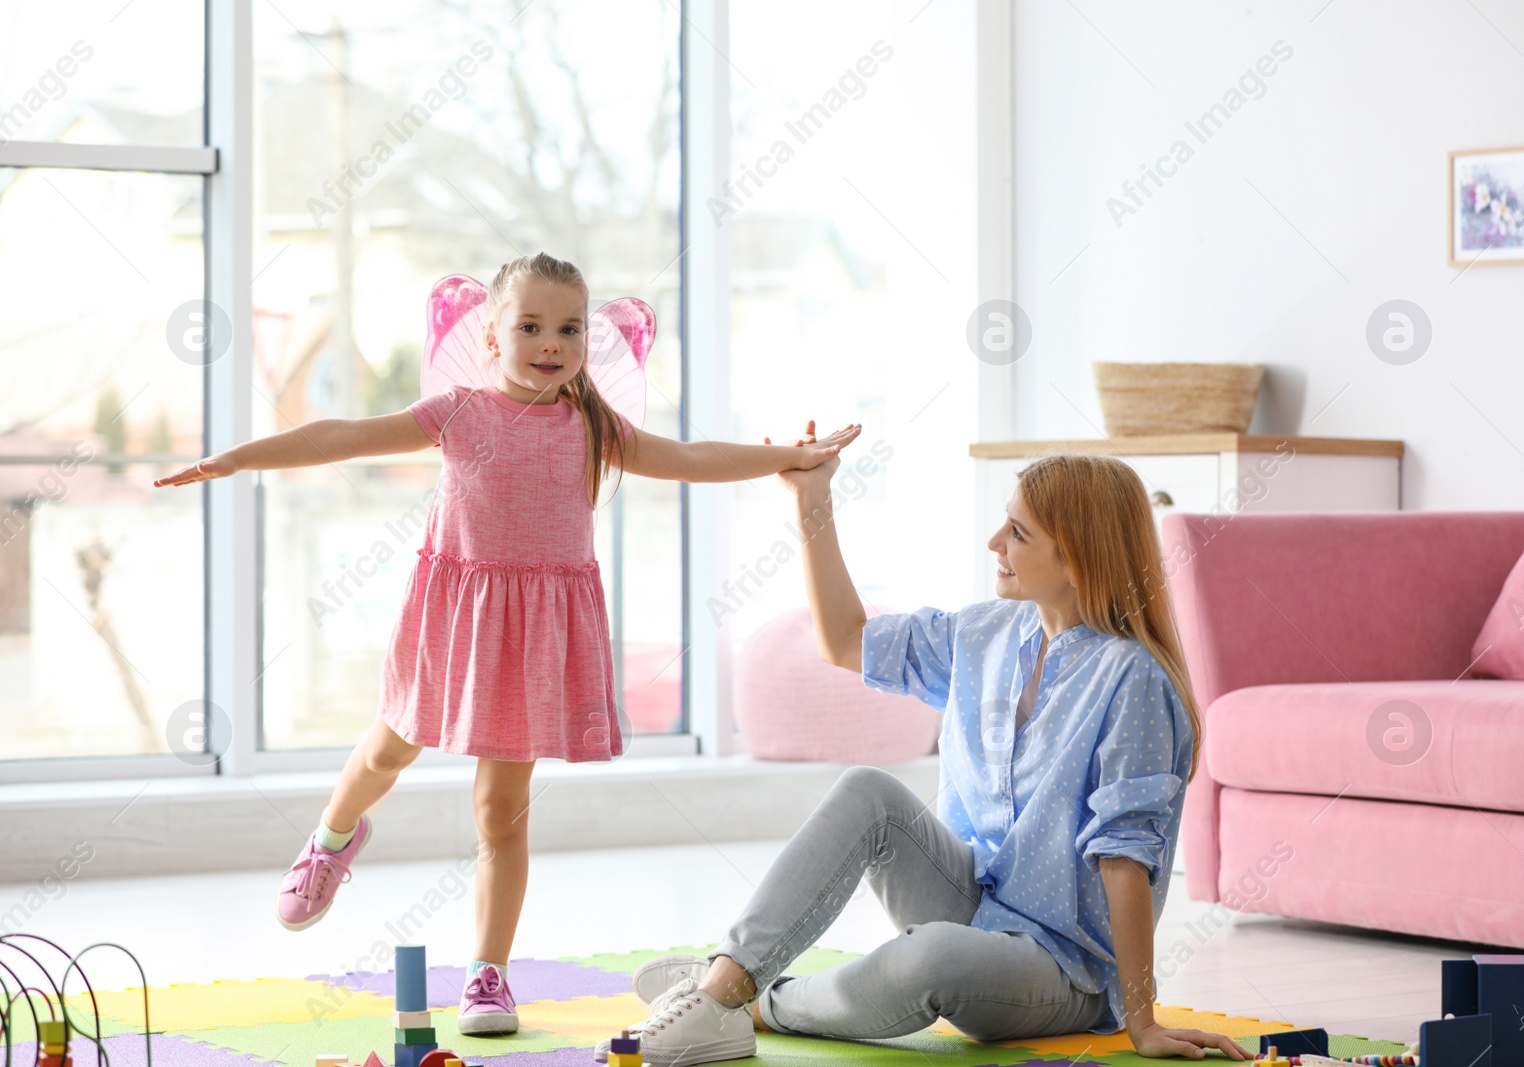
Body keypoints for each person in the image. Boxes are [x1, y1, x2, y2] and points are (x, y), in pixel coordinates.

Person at [154, 252, 860, 1036]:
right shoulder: (457, 411)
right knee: (388, 752)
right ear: (491, 337)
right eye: (529, 325)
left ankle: (488, 973)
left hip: (535, 633)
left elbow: (690, 458)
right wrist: (240, 456)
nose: (550, 341)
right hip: (455, 618)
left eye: (568, 327)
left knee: (501, 810)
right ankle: (330, 840)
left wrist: (787, 459)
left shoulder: (594, 426)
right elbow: (345, 435)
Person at [603, 441, 1249, 1064]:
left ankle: (753, 1001)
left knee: (930, 957)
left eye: (1018, 533)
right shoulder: (987, 631)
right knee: (868, 793)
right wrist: (812, 503)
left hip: (1064, 967)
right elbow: (845, 640)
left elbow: (1125, 860)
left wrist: (1142, 1019)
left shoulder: (1132, 678)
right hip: (978, 902)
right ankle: (725, 983)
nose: (995, 541)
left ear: (1076, 557)